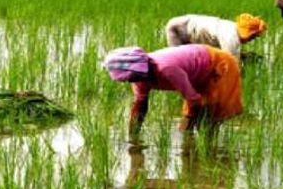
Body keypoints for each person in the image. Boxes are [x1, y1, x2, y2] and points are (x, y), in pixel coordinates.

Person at [104, 44, 243, 137]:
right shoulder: (139, 79)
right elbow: (139, 107)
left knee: (209, 120)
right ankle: (193, 154)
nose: (129, 81)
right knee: (187, 126)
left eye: (130, 77)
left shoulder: (166, 69)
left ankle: (207, 157)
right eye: (126, 79)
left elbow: (194, 101)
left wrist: (195, 125)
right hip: (197, 73)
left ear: (139, 69)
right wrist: (133, 138)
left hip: (219, 65)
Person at [164, 13, 267, 60]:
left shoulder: (231, 27)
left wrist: (242, 55)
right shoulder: (231, 37)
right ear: (249, 33)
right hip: (177, 30)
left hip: (187, 25)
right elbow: (231, 66)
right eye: (253, 37)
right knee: (182, 63)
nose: (252, 40)